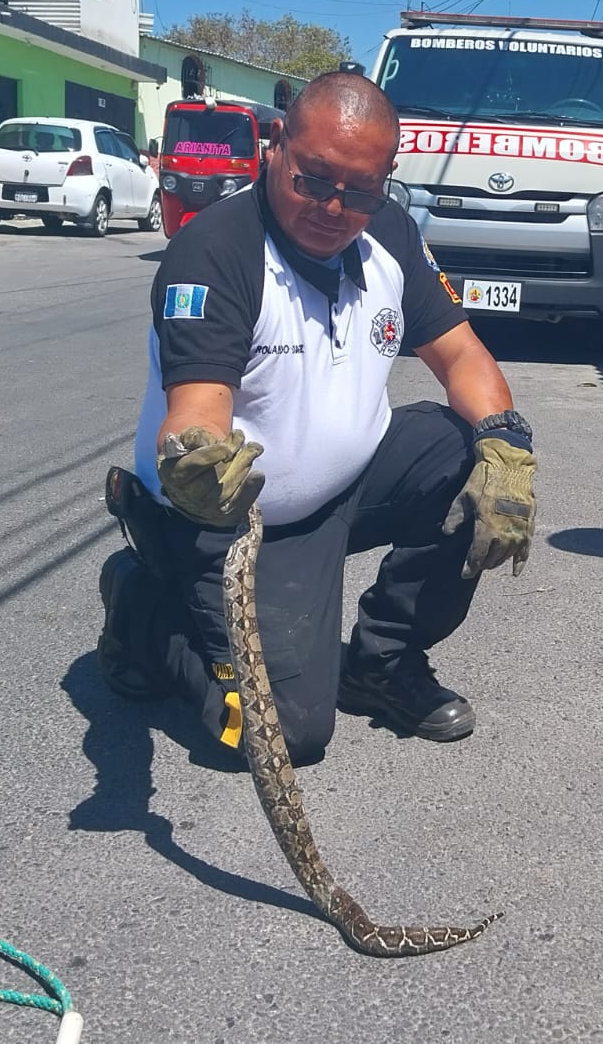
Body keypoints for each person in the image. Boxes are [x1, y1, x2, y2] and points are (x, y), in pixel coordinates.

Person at [99, 71, 537, 765]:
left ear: (386, 180)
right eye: (314, 180)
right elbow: (198, 408)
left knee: (466, 452)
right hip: (228, 518)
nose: (334, 207)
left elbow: (461, 357)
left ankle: (382, 663)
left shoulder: (388, 231)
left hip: (345, 490)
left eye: (360, 190)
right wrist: (197, 461)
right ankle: (143, 612)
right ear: (277, 146)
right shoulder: (217, 250)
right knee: (285, 735)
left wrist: (509, 448)